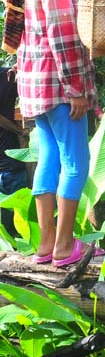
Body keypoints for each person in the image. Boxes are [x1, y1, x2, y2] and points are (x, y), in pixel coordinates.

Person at [2, 0, 102, 267]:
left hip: (35, 86)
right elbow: (64, 37)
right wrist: (77, 89)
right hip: (59, 87)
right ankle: (63, 247)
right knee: (75, 162)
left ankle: (45, 246)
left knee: (48, 159)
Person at [0, 66, 29, 238]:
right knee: (16, 226)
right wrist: (20, 132)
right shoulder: (8, 76)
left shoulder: (8, 76)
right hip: (9, 165)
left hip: (9, 165)